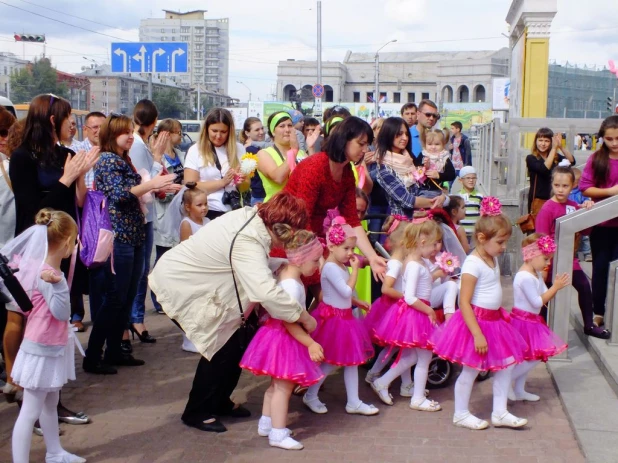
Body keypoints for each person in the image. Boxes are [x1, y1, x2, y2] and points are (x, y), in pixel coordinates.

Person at [149, 192, 318, 433]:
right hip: (180, 285)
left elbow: (248, 263)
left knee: (234, 344)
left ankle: (218, 402)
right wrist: (303, 316)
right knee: (220, 348)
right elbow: (265, 292)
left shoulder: (254, 224)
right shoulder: (249, 236)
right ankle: (197, 412)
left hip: (199, 282)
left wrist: (276, 265)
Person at [9, 93, 97, 425]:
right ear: (50, 120)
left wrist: (79, 178)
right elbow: (34, 212)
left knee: (59, 324)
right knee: (36, 326)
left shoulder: (67, 154)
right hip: (34, 253)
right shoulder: (22, 158)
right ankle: (29, 404)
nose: (72, 124)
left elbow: (76, 204)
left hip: (63, 249)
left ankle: (53, 402)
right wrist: (65, 179)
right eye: (68, 118)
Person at [83, 113, 177, 375]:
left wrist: (157, 187)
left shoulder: (123, 159)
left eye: (130, 131)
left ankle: (114, 350)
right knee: (115, 298)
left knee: (125, 297)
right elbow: (119, 196)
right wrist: (152, 184)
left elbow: (136, 192)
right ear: (112, 135)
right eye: (124, 132)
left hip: (134, 233)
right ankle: (94, 355)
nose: (129, 136)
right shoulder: (108, 160)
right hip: (120, 235)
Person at [430, 197, 528, 430]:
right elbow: (464, 302)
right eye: (501, 242)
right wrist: (477, 334)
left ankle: (500, 412)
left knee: (506, 364)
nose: (504, 247)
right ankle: (461, 413)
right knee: (471, 370)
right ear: (483, 239)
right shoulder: (473, 264)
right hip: (478, 323)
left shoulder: (490, 257)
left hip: (494, 321)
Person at [8, 209, 85, 463]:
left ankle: (55, 451)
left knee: (50, 403)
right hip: (41, 348)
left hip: (51, 347)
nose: (75, 245)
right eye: (75, 240)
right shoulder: (48, 275)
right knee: (30, 411)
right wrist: (58, 284)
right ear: (66, 243)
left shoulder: (45, 269)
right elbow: (62, 312)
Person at [240, 230, 325, 451]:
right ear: (300, 258)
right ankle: (277, 433)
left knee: (275, 385)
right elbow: (289, 320)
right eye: (315, 260)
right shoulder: (292, 285)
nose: (317, 266)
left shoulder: (289, 277)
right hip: (284, 338)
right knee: (283, 388)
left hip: (275, 337)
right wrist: (310, 343)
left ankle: (266, 424)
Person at [283, 116, 388, 289]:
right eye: (360, 143)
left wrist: (371, 256)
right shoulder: (316, 167)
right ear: (343, 140)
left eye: (367, 144)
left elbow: (352, 220)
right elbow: (302, 219)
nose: (365, 149)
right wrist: (319, 256)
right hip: (291, 236)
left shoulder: (346, 170)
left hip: (311, 238)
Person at [302, 215, 378, 416]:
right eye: (346, 249)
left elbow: (343, 295)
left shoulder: (341, 266)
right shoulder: (329, 267)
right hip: (333, 320)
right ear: (332, 246)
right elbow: (345, 291)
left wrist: (356, 302)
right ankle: (311, 394)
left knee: (350, 361)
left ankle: (353, 401)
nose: (350, 253)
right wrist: (355, 272)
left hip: (344, 318)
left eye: (353, 249)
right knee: (329, 362)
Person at [370, 218, 442, 412]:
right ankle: (417, 397)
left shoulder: (418, 261)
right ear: (423, 242)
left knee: (412, 357)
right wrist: (428, 310)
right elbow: (409, 297)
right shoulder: (414, 265)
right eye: (434, 244)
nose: (436, 248)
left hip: (418, 313)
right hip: (418, 313)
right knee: (424, 357)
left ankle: (384, 382)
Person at [536, 166, 609, 339]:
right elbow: (541, 238)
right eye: (557, 185)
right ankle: (539, 332)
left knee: (584, 287)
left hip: (569, 259)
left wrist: (587, 211)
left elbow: (585, 231)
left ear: (573, 186)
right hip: (550, 261)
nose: (560, 190)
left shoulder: (573, 205)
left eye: (565, 186)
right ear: (552, 185)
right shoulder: (547, 208)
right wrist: (545, 264)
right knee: (545, 296)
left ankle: (589, 325)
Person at [129, 100, 181, 343]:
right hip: (142, 214)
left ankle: (136, 318)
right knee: (140, 272)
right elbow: (145, 180)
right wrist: (158, 159)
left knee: (140, 271)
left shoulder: (140, 144)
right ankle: (135, 319)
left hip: (146, 214)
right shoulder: (138, 145)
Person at [509, 234, 569, 402]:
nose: (548, 263)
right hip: (523, 321)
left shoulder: (536, 274)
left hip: (531, 321)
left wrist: (552, 288)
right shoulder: (525, 277)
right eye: (545, 258)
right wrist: (555, 287)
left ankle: (519, 389)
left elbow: (542, 293)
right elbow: (537, 302)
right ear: (531, 255)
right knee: (533, 357)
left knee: (529, 356)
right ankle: (506, 381)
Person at [364, 216, 413, 394]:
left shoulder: (400, 263)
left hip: (396, 308)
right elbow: (386, 289)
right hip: (394, 308)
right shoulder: (396, 264)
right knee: (394, 347)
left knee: (401, 346)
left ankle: (406, 384)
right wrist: (407, 297)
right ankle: (374, 374)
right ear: (404, 242)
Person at [579, 115, 618, 328]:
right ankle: (599, 311)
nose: (614, 143)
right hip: (602, 225)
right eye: (609, 139)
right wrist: (610, 192)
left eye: (617, 138)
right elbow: (585, 187)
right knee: (601, 268)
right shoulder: (597, 159)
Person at [372, 117, 446, 218]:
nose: (405, 138)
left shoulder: (410, 159)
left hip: (424, 218)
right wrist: (435, 202)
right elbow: (406, 200)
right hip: (403, 224)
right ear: (388, 135)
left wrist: (442, 197)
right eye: (399, 134)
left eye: (406, 134)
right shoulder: (384, 169)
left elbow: (423, 187)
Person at [184, 108, 247, 220]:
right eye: (214, 131)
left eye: (223, 132)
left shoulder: (239, 149)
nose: (218, 136)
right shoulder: (195, 150)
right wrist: (222, 182)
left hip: (234, 210)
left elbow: (245, 187)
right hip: (207, 211)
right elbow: (190, 186)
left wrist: (240, 181)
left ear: (230, 131)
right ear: (206, 129)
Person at [150, 118, 185, 314]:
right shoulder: (158, 157)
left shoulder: (180, 154)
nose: (180, 135)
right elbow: (155, 185)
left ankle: (172, 297)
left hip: (179, 208)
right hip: (163, 210)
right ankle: (157, 299)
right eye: (177, 132)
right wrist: (171, 189)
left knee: (175, 257)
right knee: (162, 258)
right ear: (167, 134)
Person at [525, 127, 575, 220]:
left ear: (551, 142)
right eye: (540, 140)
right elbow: (544, 169)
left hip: (555, 199)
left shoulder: (555, 157)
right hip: (538, 201)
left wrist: (560, 146)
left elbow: (572, 161)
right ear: (536, 141)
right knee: (539, 231)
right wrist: (553, 149)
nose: (543, 144)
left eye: (547, 141)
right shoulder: (531, 158)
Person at [256, 112, 304, 203]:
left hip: (300, 209)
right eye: (282, 126)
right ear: (273, 131)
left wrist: (311, 148)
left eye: (290, 125)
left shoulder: (301, 153)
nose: (287, 130)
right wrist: (293, 151)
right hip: (276, 210)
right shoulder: (263, 154)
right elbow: (278, 178)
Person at [415, 129, 456, 200]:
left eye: (437, 144)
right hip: (420, 189)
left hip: (437, 191)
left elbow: (452, 175)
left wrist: (439, 175)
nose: (433, 147)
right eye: (430, 144)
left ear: (443, 144)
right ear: (425, 144)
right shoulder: (423, 155)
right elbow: (415, 168)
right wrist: (424, 167)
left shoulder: (444, 158)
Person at [73, 112, 106, 191]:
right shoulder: (77, 151)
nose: (100, 131)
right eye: (95, 127)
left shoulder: (112, 151)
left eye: (103, 127)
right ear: (85, 129)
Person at [568, 168, 592, 262]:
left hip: (580, 217)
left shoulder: (581, 192)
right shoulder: (567, 191)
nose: (575, 184)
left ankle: (587, 253)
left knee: (584, 237)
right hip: (569, 218)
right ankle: (575, 253)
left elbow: (586, 199)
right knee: (573, 237)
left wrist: (585, 203)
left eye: (577, 182)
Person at [455, 166, 484, 241]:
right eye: (468, 178)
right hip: (461, 233)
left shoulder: (480, 196)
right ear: (460, 180)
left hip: (474, 234)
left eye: (473, 178)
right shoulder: (457, 196)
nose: (471, 180)